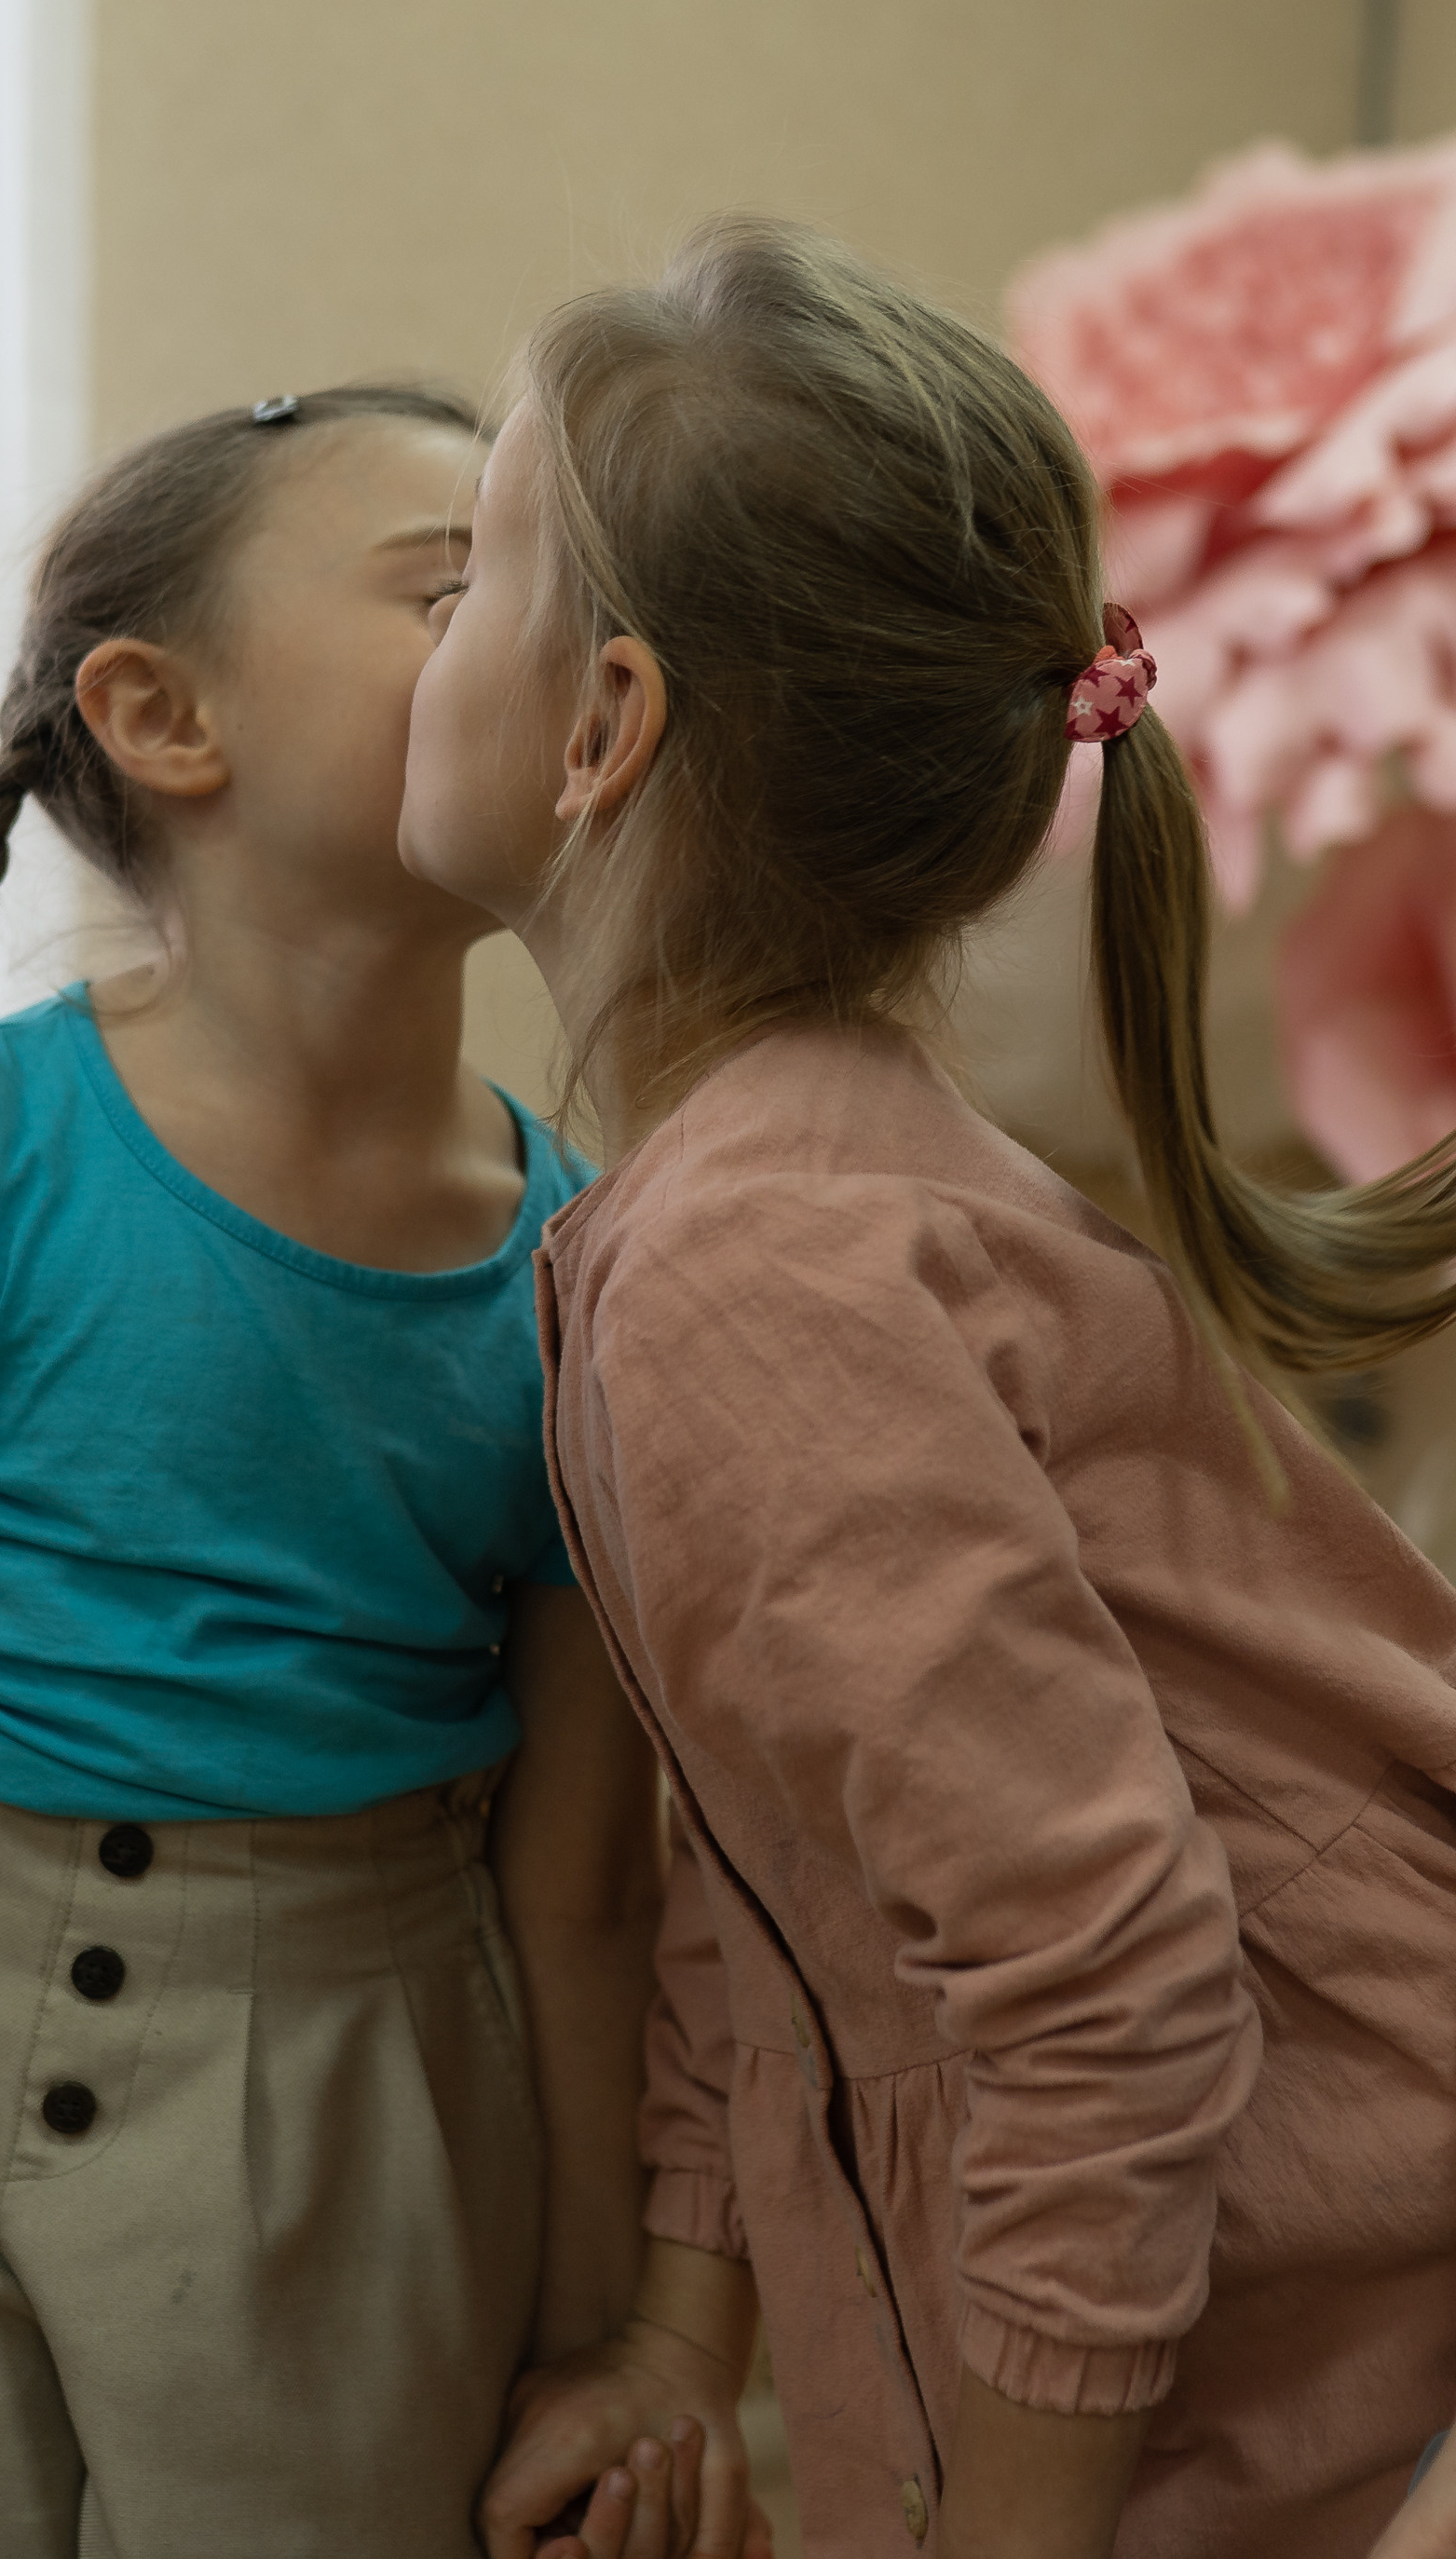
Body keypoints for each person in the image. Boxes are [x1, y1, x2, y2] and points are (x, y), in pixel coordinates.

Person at [398, 223, 1456, 2559]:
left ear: (600, 726)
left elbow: (1108, 1993)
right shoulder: (757, 1198)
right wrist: (680, 2337)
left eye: (462, 576)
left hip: (1358, 2383)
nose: (420, 644)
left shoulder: (755, 1273)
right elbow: (780, 1853)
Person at [0, 384, 676, 2559]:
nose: (548, 641)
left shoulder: (596, 1277)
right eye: (455, 589)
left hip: (377, 2141)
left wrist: (603, 2348)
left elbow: (584, 1887)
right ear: (160, 717)